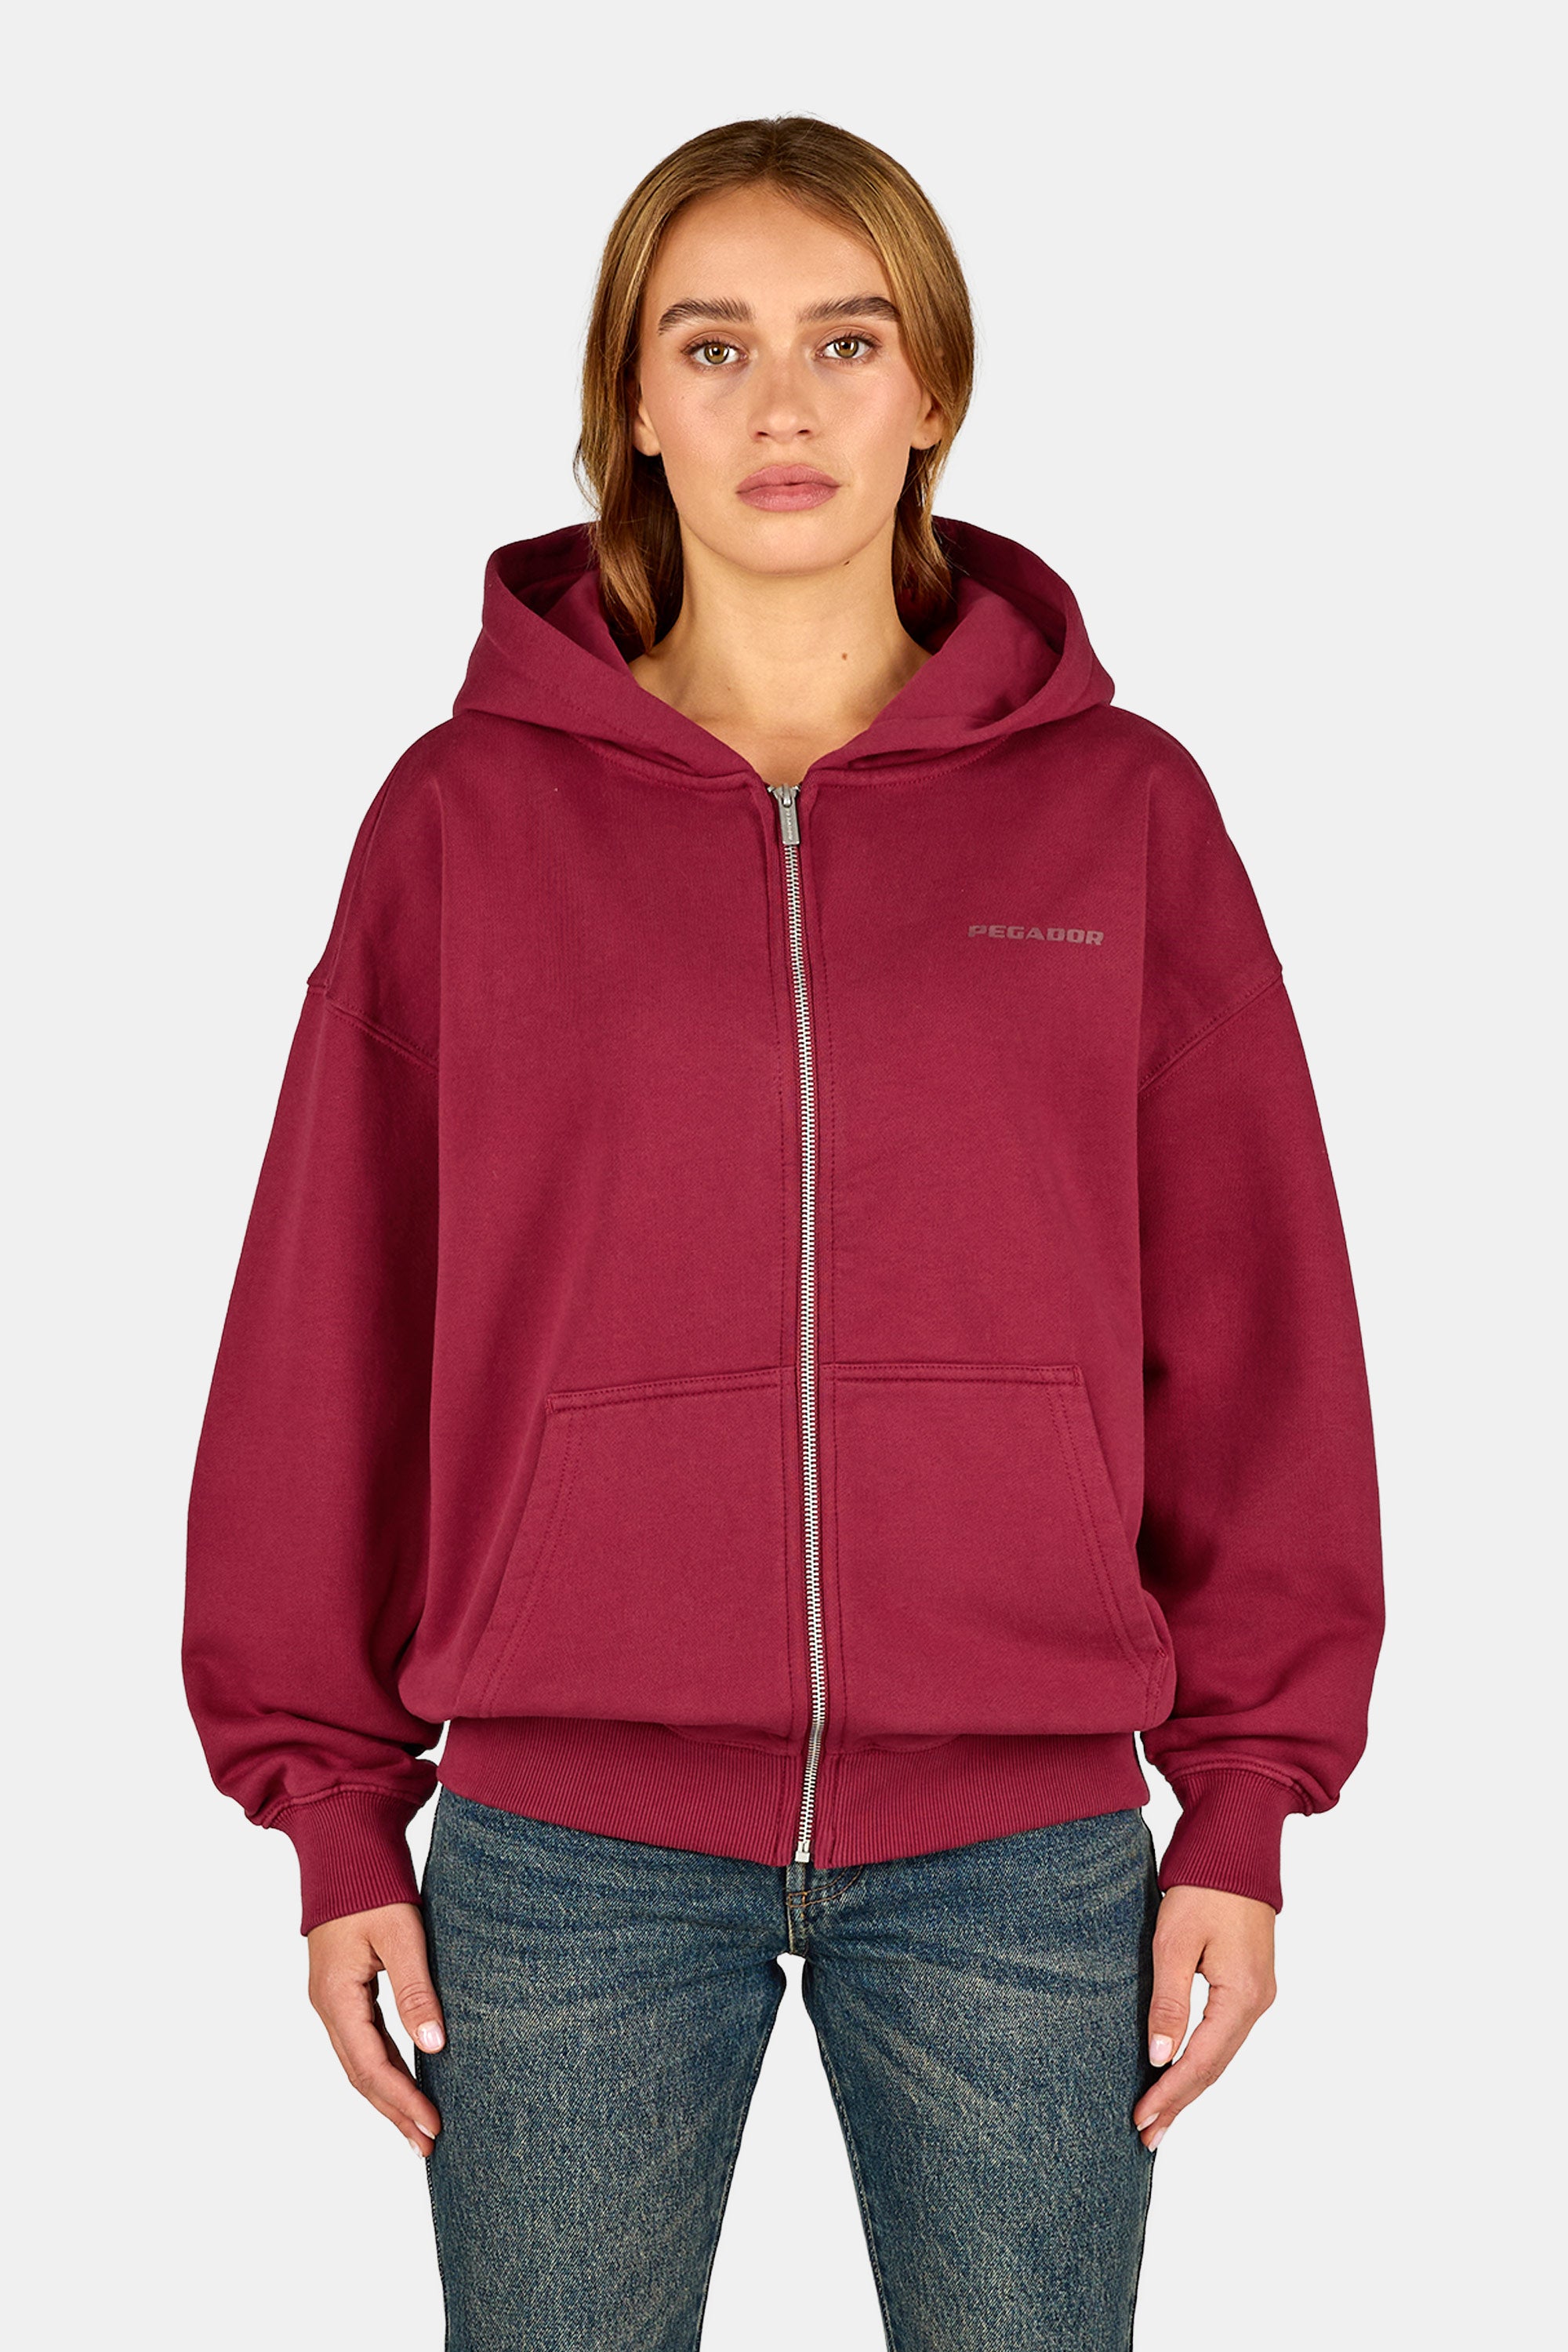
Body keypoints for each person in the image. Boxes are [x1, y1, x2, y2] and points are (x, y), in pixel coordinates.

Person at [183, 114, 1384, 2350]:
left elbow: (1260, 1326)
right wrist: (335, 1817)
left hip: (1024, 1856)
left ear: (934, 384)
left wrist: (1242, 1800)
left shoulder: (1122, 811)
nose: (784, 405)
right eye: (711, 345)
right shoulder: (464, 818)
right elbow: (328, 1332)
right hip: (569, 1857)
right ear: (632, 401)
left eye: (846, 339)